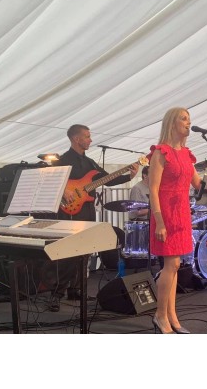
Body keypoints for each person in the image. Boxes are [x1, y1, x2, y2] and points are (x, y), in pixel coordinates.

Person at [47, 124, 139, 311]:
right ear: (76, 139)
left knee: (85, 251)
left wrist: (129, 176)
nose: (91, 140)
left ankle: (75, 289)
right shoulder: (62, 161)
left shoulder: (90, 163)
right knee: (68, 253)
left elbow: (107, 179)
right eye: (87, 137)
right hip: (70, 213)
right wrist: (63, 189)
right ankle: (56, 294)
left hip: (87, 211)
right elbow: (50, 179)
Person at [148, 107, 202, 334]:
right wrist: (159, 221)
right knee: (171, 265)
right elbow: (153, 189)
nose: (188, 122)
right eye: (183, 119)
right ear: (172, 123)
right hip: (166, 213)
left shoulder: (186, 154)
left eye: (189, 119)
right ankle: (160, 315)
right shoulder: (161, 152)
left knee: (176, 265)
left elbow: (198, 183)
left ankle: (171, 315)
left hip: (182, 212)